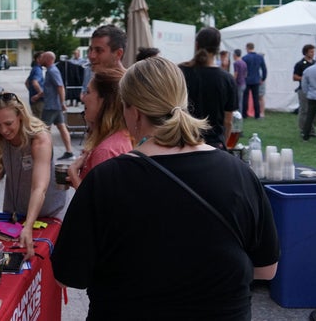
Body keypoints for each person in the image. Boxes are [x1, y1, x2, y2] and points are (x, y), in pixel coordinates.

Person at [52, 56, 279, 320]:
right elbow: (266, 269)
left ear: (134, 111)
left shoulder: (106, 179)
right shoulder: (239, 173)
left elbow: (68, 275)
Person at [0, 91, 66, 260]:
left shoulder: (39, 138)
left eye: (8, 123)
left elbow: (39, 187)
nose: (3, 130)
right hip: (15, 215)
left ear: (21, 116)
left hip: (45, 215)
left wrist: (29, 225)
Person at [67, 67, 132, 189]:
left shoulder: (106, 150)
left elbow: (97, 205)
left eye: (88, 92)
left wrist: (74, 175)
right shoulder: (121, 136)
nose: (83, 98)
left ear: (104, 101)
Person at [179, 27, 237, 150]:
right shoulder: (227, 79)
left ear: (196, 45)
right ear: (218, 50)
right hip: (214, 145)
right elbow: (228, 121)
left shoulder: (180, 72)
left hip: (182, 143)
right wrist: (223, 144)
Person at [40, 51, 75, 160]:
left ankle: (46, 154)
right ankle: (69, 152)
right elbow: (52, 88)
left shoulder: (52, 71)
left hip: (51, 106)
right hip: (55, 105)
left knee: (43, 130)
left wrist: (63, 103)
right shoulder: (50, 70)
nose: (40, 59)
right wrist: (38, 95)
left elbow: (60, 87)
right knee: (61, 127)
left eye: (42, 57)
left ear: (48, 59)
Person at [80, 24, 127, 105]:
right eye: (90, 49)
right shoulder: (94, 80)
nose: (91, 56)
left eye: (99, 50)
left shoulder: (131, 87)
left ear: (118, 53)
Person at [294, 44, 316, 136]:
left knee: (314, 111)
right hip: (303, 90)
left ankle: (312, 129)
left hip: (314, 90)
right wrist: (305, 78)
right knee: (304, 110)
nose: (313, 53)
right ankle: (303, 129)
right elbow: (295, 77)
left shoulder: (315, 63)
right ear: (306, 52)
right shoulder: (300, 64)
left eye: (313, 51)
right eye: (311, 51)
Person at [242, 42, 267, 120]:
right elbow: (264, 69)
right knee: (256, 98)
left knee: (245, 98)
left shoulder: (245, 58)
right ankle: (257, 115)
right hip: (256, 80)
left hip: (247, 80)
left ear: (247, 48)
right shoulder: (260, 57)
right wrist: (263, 78)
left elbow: (243, 70)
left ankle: (244, 114)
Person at [25, 51, 45, 119]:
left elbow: (27, 83)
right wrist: (39, 94)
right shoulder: (38, 70)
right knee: (40, 122)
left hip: (34, 101)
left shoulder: (35, 69)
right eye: (43, 57)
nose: (45, 59)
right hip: (38, 101)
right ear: (38, 59)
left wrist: (32, 92)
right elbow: (34, 82)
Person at [233, 49, 247, 115]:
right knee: (241, 100)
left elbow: (236, 73)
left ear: (235, 55)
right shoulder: (244, 63)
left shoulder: (236, 63)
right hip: (243, 83)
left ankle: (239, 114)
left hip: (238, 84)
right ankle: (241, 114)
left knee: (238, 101)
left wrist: (232, 81)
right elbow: (245, 74)